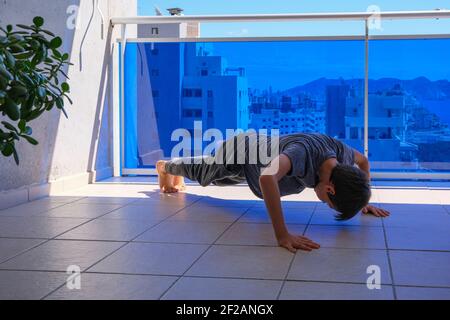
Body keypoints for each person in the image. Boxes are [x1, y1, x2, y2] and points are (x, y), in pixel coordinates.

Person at [156, 132, 390, 253]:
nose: (324, 204)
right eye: (329, 203)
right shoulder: (302, 153)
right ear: (329, 188)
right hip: (243, 151)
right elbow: (267, 177)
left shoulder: (343, 157)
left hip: (261, 154)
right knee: (207, 173)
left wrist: (362, 200)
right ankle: (165, 166)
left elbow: (365, 162)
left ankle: (172, 171)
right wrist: (282, 235)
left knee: (211, 174)